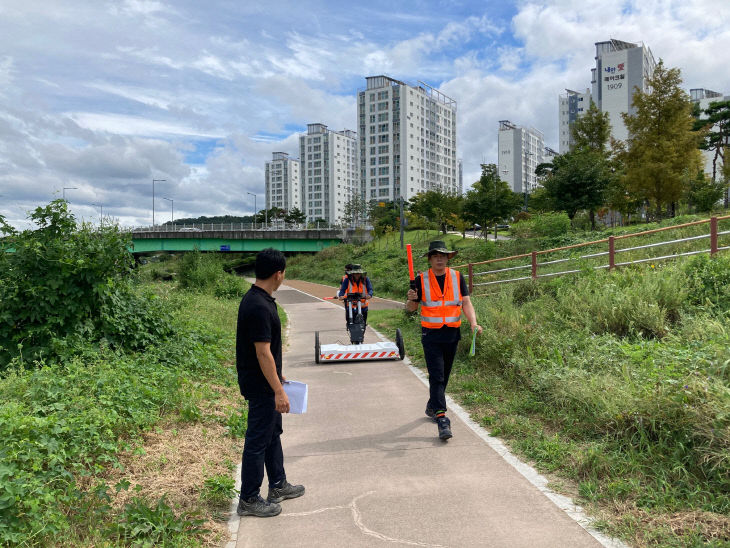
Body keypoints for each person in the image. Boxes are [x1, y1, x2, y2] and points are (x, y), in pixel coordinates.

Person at [236, 248, 305, 517]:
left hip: (267, 381)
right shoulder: (258, 305)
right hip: (261, 386)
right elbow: (262, 352)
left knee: (271, 434)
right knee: (257, 440)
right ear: (279, 274)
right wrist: (277, 390)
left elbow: (268, 354)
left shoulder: (261, 300)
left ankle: (278, 484)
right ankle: (249, 499)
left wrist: (278, 376)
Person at [405, 241, 482, 440]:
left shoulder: (457, 277)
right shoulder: (421, 279)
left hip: (452, 333)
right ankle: (442, 418)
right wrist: (412, 299)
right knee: (437, 375)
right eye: (436, 255)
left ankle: (432, 406)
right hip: (430, 335)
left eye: (443, 255)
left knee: (445, 375)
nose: (440, 258)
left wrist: (473, 323)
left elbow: (466, 301)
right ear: (430, 259)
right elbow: (411, 309)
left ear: (448, 258)